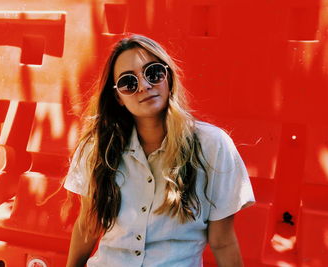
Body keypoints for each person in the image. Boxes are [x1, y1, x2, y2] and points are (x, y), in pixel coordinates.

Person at [63, 34, 255, 267]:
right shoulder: (97, 147)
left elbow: (222, 241)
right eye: (128, 82)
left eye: (153, 73)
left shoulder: (213, 146)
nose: (144, 85)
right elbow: (87, 227)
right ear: (118, 97)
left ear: (168, 77)